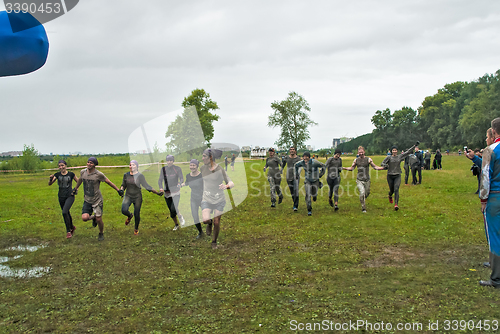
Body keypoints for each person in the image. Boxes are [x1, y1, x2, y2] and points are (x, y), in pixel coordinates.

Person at [72, 157, 123, 241]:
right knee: (84, 218)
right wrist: (75, 188)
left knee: (99, 219)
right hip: (87, 199)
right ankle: (94, 217)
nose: (89, 164)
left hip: (97, 200)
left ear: (95, 165)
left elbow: (108, 182)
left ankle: (101, 233)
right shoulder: (82, 172)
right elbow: (80, 180)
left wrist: (118, 190)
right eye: (88, 162)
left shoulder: (98, 174)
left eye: (91, 163)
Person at [479, 118, 500, 288]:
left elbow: (485, 177)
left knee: (494, 235)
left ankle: (496, 278)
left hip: (496, 197)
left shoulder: (490, 150)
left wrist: (483, 199)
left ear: (493, 132)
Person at [200, 148, 234, 249]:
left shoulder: (220, 170)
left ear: (210, 157)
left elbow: (231, 182)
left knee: (217, 221)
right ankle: (209, 223)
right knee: (206, 220)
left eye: (204, 156)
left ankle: (214, 241)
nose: (202, 158)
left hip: (219, 199)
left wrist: (226, 186)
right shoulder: (202, 168)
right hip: (206, 197)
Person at [120, 160, 161, 235]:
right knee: (124, 210)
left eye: (133, 165)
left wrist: (157, 193)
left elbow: (146, 186)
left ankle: (136, 229)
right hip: (128, 196)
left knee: (137, 213)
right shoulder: (126, 175)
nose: (131, 166)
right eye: (130, 165)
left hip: (137, 197)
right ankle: (129, 216)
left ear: (137, 166)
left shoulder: (140, 176)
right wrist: (121, 190)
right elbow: (123, 185)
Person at [343, 146, 384, 212]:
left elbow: (375, 167)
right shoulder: (356, 160)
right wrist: (344, 168)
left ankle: (363, 199)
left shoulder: (368, 159)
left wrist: (382, 168)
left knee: (366, 193)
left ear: (364, 152)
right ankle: (363, 208)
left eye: (362, 152)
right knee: (362, 193)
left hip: (367, 180)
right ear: (358, 153)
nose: (361, 154)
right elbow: (352, 168)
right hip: (359, 180)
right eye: (359, 152)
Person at [381, 143, 418, 210]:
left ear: (397, 151)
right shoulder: (389, 157)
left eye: (395, 150)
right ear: (391, 151)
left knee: (396, 189)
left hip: (397, 175)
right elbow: (382, 163)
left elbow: (408, 152)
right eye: (393, 150)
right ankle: (390, 195)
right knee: (392, 190)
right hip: (390, 176)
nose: (394, 151)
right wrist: (386, 166)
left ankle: (396, 204)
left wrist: (414, 146)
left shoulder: (399, 157)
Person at [48, 160, 79, 239]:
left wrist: (76, 189)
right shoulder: (57, 175)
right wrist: (50, 179)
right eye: (59, 166)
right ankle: (72, 227)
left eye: (62, 165)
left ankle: (68, 231)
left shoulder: (71, 174)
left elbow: (79, 181)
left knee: (64, 212)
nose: (61, 167)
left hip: (70, 196)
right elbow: (50, 184)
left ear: (66, 165)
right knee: (66, 213)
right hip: (61, 196)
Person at [294, 151, 325, 216]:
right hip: (307, 180)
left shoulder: (314, 162)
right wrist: (296, 174)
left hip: (315, 180)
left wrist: (321, 174)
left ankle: (315, 194)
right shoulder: (302, 163)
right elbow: (296, 165)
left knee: (314, 193)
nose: (305, 159)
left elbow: (323, 166)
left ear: (309, 157)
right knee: (308, 194)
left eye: (306, 158)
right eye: (304, 158)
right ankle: (309, 209)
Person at [158, 155, 185, 231]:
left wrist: (179, 183)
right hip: (167, 193)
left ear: (173, 161)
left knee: (173, 209)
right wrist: (160, 188)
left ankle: (180, 217)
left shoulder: (177, 169)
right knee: (171, 212)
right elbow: (160, 180)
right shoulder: (163, 169)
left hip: (175, 192)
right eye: (168, 160)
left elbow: (181, 178)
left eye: (171, 160)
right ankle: (176, 225)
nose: (169, 162)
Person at [182, 159, 204, 239]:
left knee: (206, 218)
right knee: (195, 217)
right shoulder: (188, 175)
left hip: (202, 198)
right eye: (191, 165)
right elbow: (187, 183)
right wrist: (181, 184)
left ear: (197, 166)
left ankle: (210, 223)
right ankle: (200, 232)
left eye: (194, 165)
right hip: (193, 199)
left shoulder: (202, 175)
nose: (192, 167)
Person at [281, 147, 301, 211]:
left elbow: (301, 166)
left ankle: (295, 206)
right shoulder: (287, 158)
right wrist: (281, 169)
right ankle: (294, 202)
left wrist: (298, 173)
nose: (292, 151)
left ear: (295, 151)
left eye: (293, 150)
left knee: (296, 191)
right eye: (291, 150)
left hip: (296, 177)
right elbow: (283, 164)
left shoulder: (298, 159)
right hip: (288, 176)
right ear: (289, 151)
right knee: (292, 191)